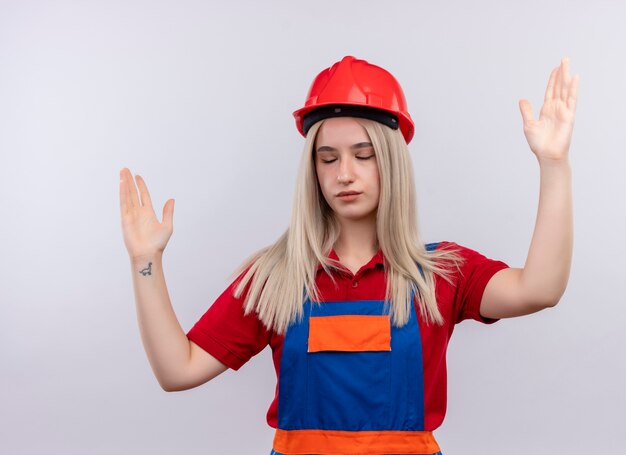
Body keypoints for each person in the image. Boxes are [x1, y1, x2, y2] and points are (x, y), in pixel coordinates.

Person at [119, 55, 578, 455]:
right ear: (313, 170)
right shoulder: (276, 277)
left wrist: (554, 165)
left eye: (363, 155)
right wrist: (146, 262)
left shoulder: (441, 274)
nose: (345, 174)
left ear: (391, 160)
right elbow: (177, 370)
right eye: (328, 158)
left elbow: (540, 288)